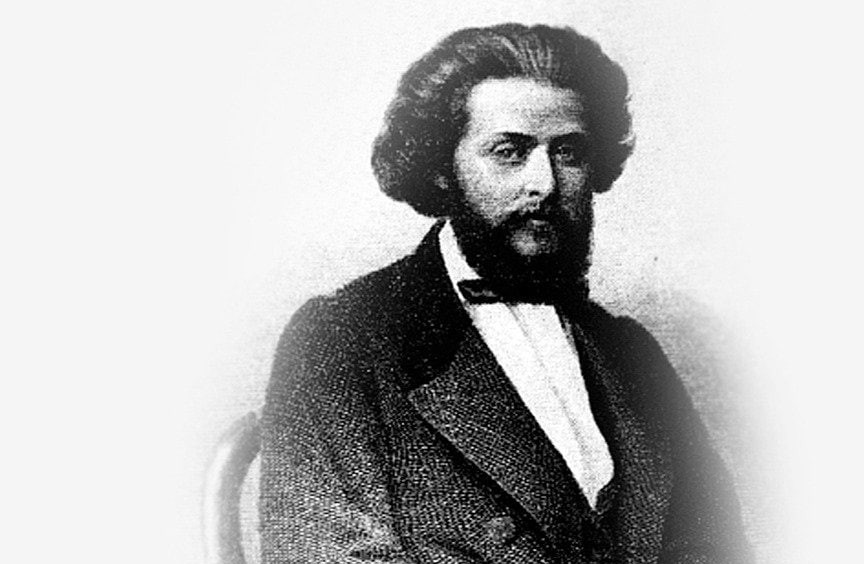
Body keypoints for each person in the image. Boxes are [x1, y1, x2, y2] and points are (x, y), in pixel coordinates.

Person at [260, 23, 749, 564]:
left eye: (569, 152)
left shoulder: (630, 353)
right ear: (442, 168)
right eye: (510, 152)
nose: (545, 183)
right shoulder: (340, 340)